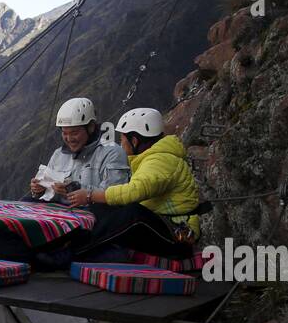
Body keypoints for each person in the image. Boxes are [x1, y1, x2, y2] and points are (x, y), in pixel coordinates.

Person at [62, 107, 201, 259]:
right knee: (104, 208)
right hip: (164, 227)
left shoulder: (161, 160)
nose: (121, 145)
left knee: (133, 213)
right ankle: (69, 243)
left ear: (134, 140)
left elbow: (135, 191)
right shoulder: (150, 159)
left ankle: (70, 253)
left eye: (122, 140)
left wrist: (90, 195)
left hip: (179, 238)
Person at [28, 97, 129, 200]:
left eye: (74, 133)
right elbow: (48, 193)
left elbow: (114, 196)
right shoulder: (58, 154)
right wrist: (40, 190)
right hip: (59, 212)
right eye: (64, 133)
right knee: (26, 202)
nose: (69, 139)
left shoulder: (112, 153)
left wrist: (77, 189)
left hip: (93, 213)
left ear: (91, 127)